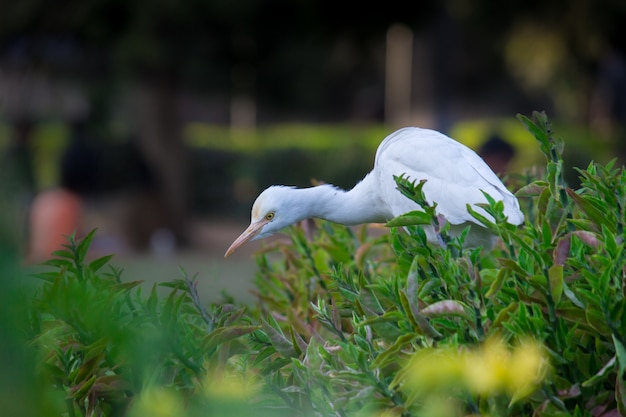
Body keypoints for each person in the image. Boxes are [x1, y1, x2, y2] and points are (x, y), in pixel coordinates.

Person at [27, 120, 99, 263]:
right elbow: (75, 247)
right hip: (56, 261)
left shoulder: (44, 199)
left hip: (35, 260)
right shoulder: (72, 204)